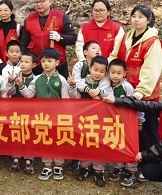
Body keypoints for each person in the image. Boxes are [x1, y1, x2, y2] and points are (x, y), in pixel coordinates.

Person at [20, 48, 77, 181]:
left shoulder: (62, 80)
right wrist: (21, 85)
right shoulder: (37, 79)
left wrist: (66, 116)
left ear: (57, 62)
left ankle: (58, 165)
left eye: (49, 61)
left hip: (57, 117)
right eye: (43, 61)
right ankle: (47, 165)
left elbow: (66, 99)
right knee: (44, 140)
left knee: (57, 141)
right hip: (41, 117)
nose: (46, 64)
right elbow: (29, 95)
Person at [116, 4, 162, 156]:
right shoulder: (126, 37)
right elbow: (115, 56)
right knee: (128, 127)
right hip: (125, 89)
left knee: (147, 130)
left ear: (148, 20)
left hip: (144, 95)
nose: (136, 20)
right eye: (134, 16)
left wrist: (140, 92)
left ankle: (150, 161)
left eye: (140, 17)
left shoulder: (153, 41)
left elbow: (151, 70)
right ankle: (130, 158)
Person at [74, 55, 112, 187]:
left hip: (100, 119)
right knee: (83, 142)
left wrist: (99, 91)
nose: (98, 73)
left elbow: (108, 92)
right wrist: (88, 90)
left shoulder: (105, 83)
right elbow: (77, 88)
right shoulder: (83, 81)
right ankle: (84, 167)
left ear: (106, 73)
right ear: (90, 68)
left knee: (99, 143)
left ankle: (98, 170)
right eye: (95, 70)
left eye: (102, 71)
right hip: (83, 119)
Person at [19, 0, 76, 78]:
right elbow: (24, 42)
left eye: (42, 1)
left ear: (50, 1)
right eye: (36, 2)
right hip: (36, 64)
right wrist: (25, 59)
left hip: (58, 64)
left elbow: (73, 38)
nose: (38, 4)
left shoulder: (60, 16)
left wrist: (60, 37)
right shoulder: (29, 19)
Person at [107, 58, 144, 186]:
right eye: (112, 72)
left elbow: (136, 104)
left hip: (127, 122)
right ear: (108, 72)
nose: (115, 76)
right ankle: (117, 167)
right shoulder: (106, 86)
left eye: (119, 73)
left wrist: (140, 121)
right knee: (115, 143)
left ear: (124, 74)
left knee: (129, 144)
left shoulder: (127, 87)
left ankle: (131, 169)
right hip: (113, 122)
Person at [12, 50, 38, 174]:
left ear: (34, 65)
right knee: (16, 132)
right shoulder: (15, 76)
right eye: (21, 61)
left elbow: (30, 95)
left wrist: (21, 85)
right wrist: (10, 82)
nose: (22, 64)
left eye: (26, 62)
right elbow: (9, 92)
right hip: (16, 110)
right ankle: (16, 156)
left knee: (29, 133)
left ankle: (29, 158)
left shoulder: (36, 79)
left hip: (31, 112)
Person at [0, 0, 20, 64]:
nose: (3, 13)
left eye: (6, 10)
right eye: (0, 10)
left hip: (16, 64)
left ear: (11, 11)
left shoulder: (19, 28)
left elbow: (23, 47)